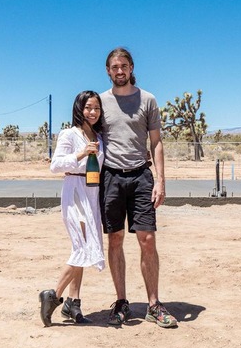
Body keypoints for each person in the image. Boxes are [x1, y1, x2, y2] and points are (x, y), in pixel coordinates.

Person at [99, 47, 178, 328]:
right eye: (114, 67)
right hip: (111, 178)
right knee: (115, 238)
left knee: (147, 239)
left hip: (141, 177)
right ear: (108, 71)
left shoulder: (148, 100)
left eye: (124, 66)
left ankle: (154, 304)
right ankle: (121, 302)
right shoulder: (100, 102)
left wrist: (160, 180)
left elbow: (156, 142)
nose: (119, 71)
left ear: (131, 68)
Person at [38, 90, 106, 327]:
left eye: (96, 108)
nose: (93, 112)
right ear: (79, 108)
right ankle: (53, 296)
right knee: (82, 247)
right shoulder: (69, 134)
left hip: (92, 192)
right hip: (74, 190)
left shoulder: (100, 136)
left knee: (85, 246)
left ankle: (73, 303)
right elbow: (55, 166)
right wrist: (81, 153)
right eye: (88, 107)